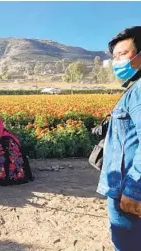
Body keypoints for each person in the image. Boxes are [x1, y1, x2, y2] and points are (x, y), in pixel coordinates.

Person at [97, 26, 141, 251]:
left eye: (123, 54)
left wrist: (134, 190)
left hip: (128, 188)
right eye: (114, 57)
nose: (117, 62)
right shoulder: (134, 88)